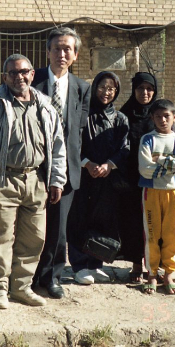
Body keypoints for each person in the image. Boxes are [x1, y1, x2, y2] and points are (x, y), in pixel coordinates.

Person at [0, 54, 66, 309]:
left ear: (32, 74)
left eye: (23, 72)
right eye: (12, 73)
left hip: (36, 180)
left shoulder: (45, 106)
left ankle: (22, 288)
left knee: (33, 238)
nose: (18, 77)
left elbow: (57, 145)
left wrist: (56, 180)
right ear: (5, 77)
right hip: (4, 179)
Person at [30, 27, 90, 299]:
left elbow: (79, 131)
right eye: (57, 48)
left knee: (58, 229)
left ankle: (51, 277)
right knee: (30, 226)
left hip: (65, 169)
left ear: (75, 55)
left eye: (67, 49)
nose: (61, 54)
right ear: (48, 52)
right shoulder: (33, 81)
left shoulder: (82, 88)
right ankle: (25, 277)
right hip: (32, 167)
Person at [70, 71, 129, 285]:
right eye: (102, 87)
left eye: (111, 88)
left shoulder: (120, 118)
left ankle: (95, 264)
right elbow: (73, 144)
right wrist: (87, 163)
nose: (106, 92)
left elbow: (125, 147)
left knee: (102, 220)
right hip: (83, 177)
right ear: (95, 88)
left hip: (107, 179)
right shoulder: (83, 115)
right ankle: (79, 266)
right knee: (79, 219)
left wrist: (109, 165)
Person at [138, 99, 175, 295]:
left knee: (172, 233)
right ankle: (152, 274)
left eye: (166, 116)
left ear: (174, 117)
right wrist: (172, 166)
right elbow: (145, 170)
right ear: (152, 118)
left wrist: (160, 160)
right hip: (151, 192)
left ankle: (169, 273)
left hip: (173, 192)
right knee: (152, 234)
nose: (163, 120)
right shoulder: (147, 140)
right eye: (158, 116)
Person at [118, 72, 160, 283]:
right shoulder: (124, 115)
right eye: (140, 88)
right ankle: (136, 264)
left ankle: (155, 267)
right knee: (134, 223)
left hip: (156, 180)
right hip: (130, 180)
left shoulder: (159, 115)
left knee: (156, 223)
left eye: (149, 89)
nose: (145, 93)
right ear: (134, 90)